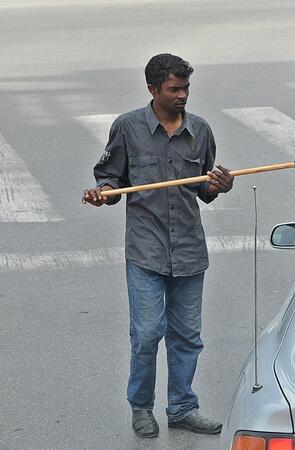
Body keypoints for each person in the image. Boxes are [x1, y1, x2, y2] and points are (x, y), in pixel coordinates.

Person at [82, 54, 234, 438]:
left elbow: (205, 187)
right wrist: (103, 192)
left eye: (185, 88)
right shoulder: (128, 128)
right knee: (147, 334)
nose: (182, 95)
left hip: (189, 251)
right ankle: (141, 407)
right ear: (152, 89)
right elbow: (110, 179)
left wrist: (218, 185)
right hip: (146, 252)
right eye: (174, 89)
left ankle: (182, 407)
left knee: (187, 336)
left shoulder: (200, 130)